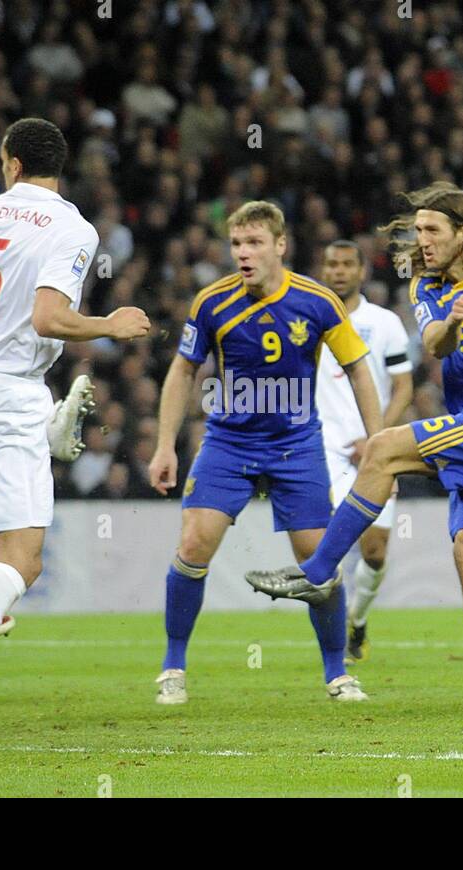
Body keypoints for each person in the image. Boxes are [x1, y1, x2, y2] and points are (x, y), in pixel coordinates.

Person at [245, 183, 463, 708]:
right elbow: (434, 345)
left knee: (381, 449)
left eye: (432, 230)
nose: (421, 240)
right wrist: (454, 320)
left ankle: (317, 571)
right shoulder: (426, 287)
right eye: (417, 230)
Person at [0, 117, 149, 736]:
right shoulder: (73, 227)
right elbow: (47, 318)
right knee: (22, 560)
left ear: (11, 162)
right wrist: (109, 324)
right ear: (57, 166)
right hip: (8, 393)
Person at [148, 200, 383, 704]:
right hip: (229, 442)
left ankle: (337, 672)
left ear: (281, 246)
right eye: (236, 244)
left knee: (318, 560)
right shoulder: (211, 303)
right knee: (192, 546)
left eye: (254, 243)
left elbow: (360, 369)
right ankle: (173, 667)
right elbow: (183, 370)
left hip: (296, 444)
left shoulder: (318, 302)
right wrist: (165, 444)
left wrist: (379, 442)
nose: (243, 254)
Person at [313, 240, 413, 663]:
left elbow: (404, 386)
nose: (337, 271)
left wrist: (378, 441)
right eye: (330, 263)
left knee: (374, 551)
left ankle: (357, 620)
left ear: (361, 271)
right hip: (322, 449)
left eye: (346, 264)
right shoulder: (310, 318)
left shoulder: (384, 322)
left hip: (376, 445)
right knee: (327, 545)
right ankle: (333, 648)